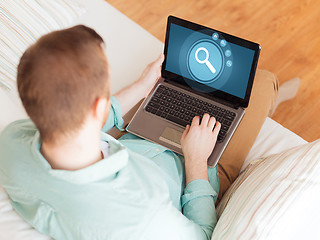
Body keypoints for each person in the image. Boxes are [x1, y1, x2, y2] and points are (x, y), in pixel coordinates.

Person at [0, 25, 278, 239]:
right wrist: (196, 161)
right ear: (99, 106)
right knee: (263, 82)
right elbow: (202, 235)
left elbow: (68, 124)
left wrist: (141, 88)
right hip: (197, 170)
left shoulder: (11, 143)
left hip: (135, 140)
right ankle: (278, 94)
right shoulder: (143, 215)